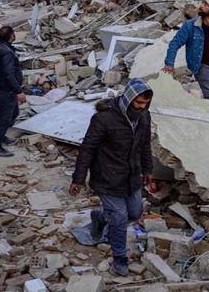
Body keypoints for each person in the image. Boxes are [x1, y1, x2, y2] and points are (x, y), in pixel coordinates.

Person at [69, 78, 154, 277]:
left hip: (131, 175)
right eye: (138, 103)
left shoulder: (144, 117)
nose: (142, 107)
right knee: (119, 217)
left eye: (145, 104)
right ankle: (119, 258)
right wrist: (78, 178)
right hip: (107, 177)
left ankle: (99, 217)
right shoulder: (104, 119)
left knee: (133, 213)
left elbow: (145, 145)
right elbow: (87, 149)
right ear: (129, 98)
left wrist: (148, 169)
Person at [0, 26, 26, 157]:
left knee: (14, 113)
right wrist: (18, 91)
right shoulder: (6, 52)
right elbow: (8, 74)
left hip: (1, 88)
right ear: (11, 36)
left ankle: (2, 136)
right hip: (7, 91)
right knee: (4, 119)